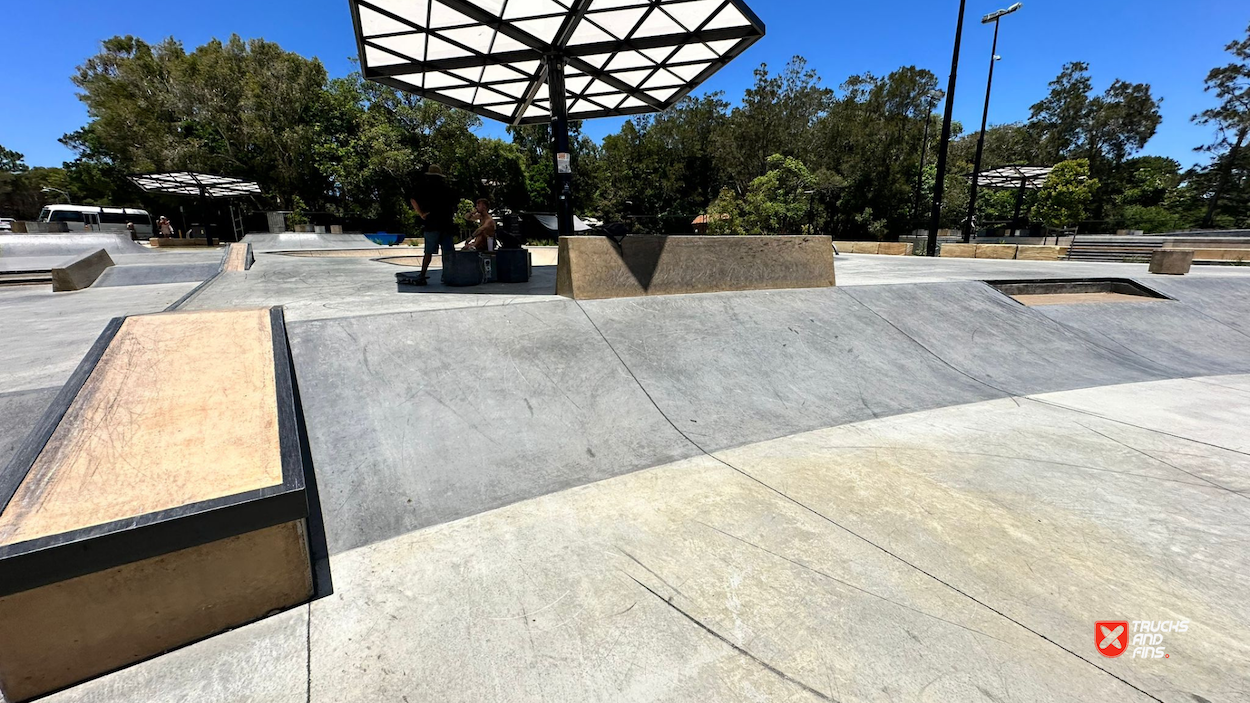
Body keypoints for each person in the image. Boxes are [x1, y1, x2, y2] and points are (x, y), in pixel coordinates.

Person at [408, 165, 458, 285]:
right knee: (448, 252)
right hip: (446, 224)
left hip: (431, 223)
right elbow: (454, 205)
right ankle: (449, 276)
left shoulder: (424, 187)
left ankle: (423, 274)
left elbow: (413, 199)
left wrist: (421, 213)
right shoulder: (447, 188)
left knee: (428, 252)